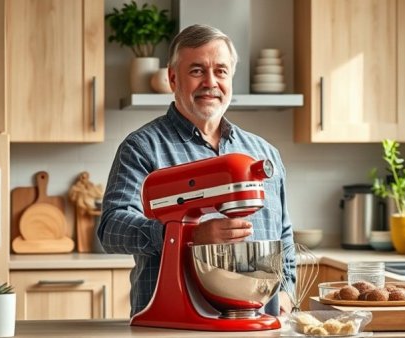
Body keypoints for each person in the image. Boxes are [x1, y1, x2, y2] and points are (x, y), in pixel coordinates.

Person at [98, 24, 296, 317]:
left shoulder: (265, 153)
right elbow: (111, 228)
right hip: (173, 324)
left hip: (260, 323)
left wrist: (286, 294)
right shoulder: (142, 148)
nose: (211, 82)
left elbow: (285, 238)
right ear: (173, 78)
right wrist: (188, 234)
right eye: (197, 71)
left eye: (221, 71)